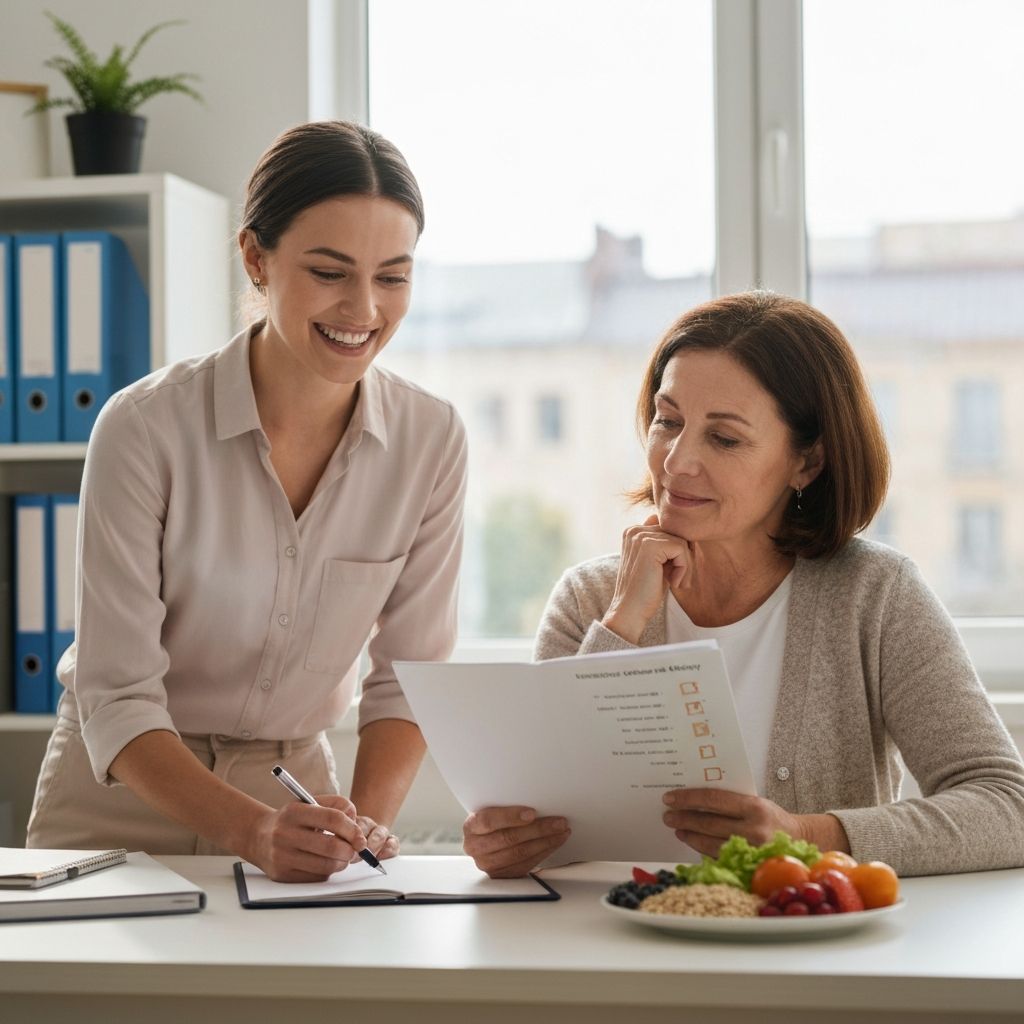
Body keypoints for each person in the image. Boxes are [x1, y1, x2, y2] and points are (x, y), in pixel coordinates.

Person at [26, 121, 467, 882]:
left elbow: (408, 679)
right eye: (330, 272)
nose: (364, 308)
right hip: (121, 801)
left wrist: (361, 828)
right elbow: (119, 697)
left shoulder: (431, 439)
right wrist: (252, 832)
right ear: (256, 258)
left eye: (393, 277)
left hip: (296, 798)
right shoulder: (143, 428)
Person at [464, 291, 1024, 879]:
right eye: (668, 421)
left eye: (724, 438)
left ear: (806, 463)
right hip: (623, 953)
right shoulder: (589, 600)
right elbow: (554, 817)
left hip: (809, 955)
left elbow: (1006, 807)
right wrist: (511, 842)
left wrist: (806, 835)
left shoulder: (875, 595)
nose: (677, 462)